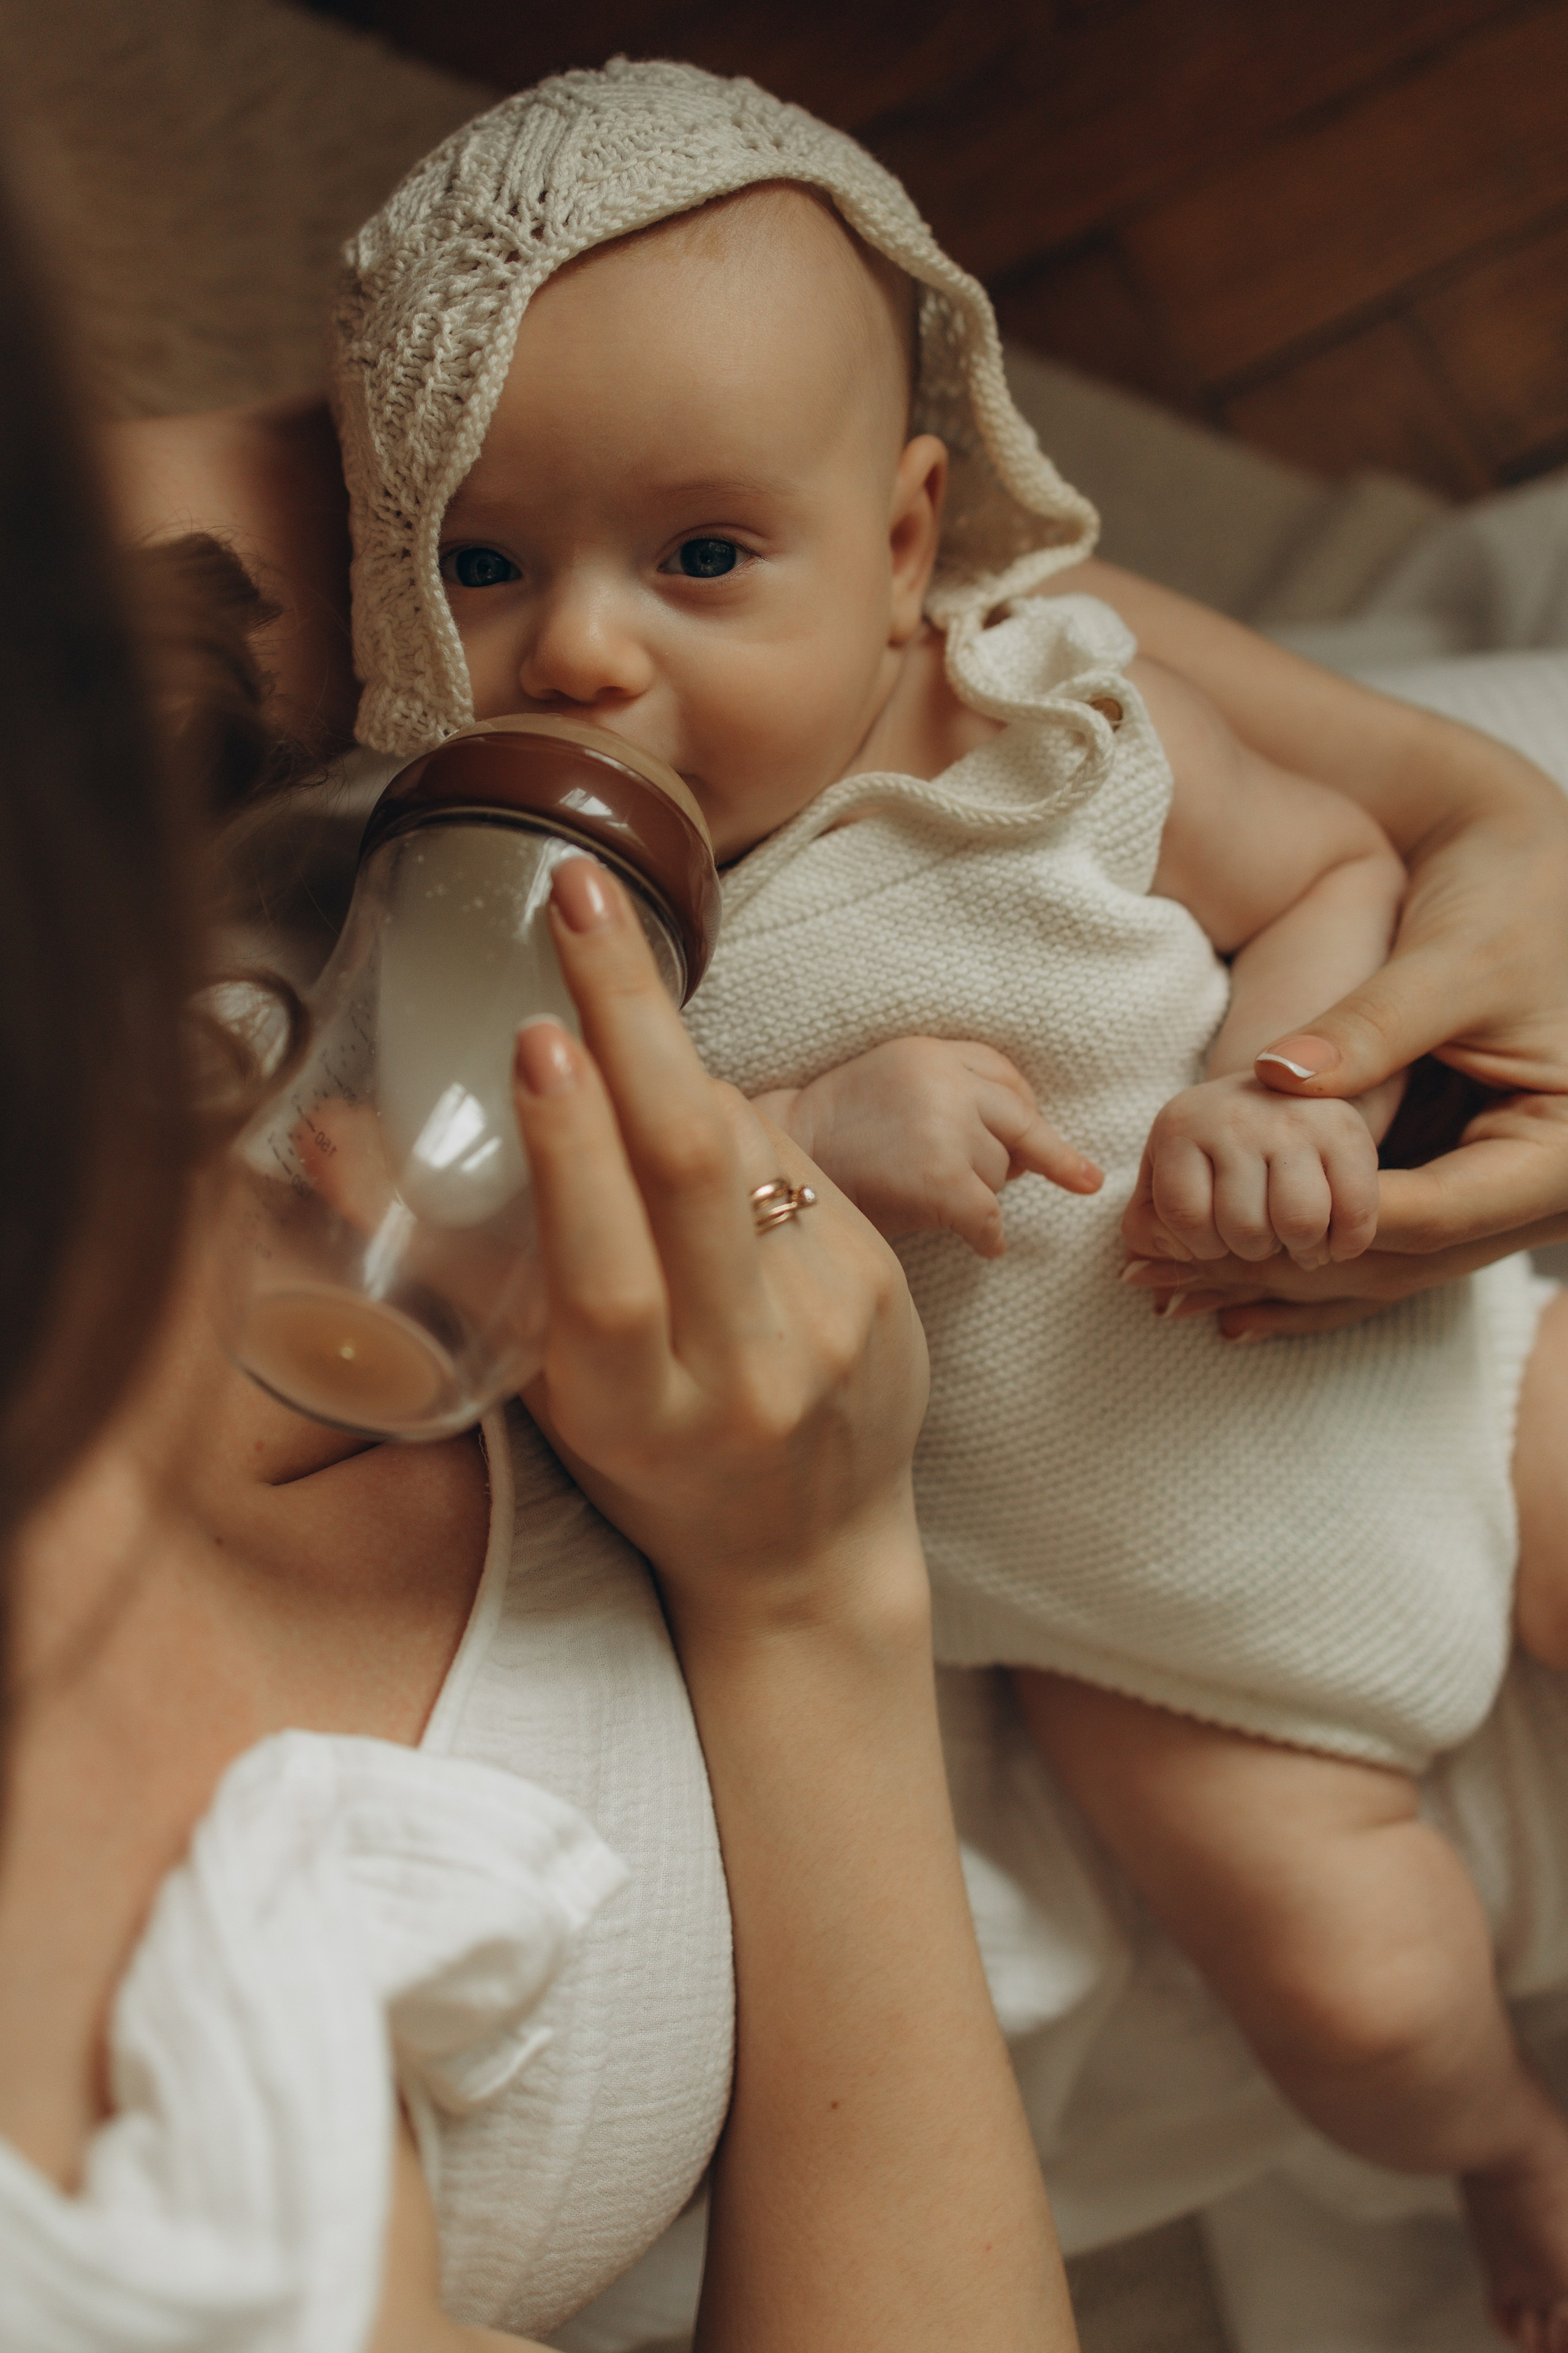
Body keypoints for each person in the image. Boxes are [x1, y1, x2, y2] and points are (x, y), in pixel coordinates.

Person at [311, 60, 1568, 2341]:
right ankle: (1510, 2147)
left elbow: (1341, 870)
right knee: (1365, 2001)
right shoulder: (516, 913)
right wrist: (805, 1128)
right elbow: (512, 1233)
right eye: (484, 564)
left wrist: (1282, 1089)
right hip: (1147, 1639)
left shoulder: (1040, 709)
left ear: (904, 542)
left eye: (703, 557)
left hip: (1422, 1368)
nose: (586, 649)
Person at [0, 167, 1074, 2352]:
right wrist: (810, 1598)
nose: (587, 658)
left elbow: (437, 464)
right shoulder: (165, 2256)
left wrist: (1440, 807)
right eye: (488, 579)